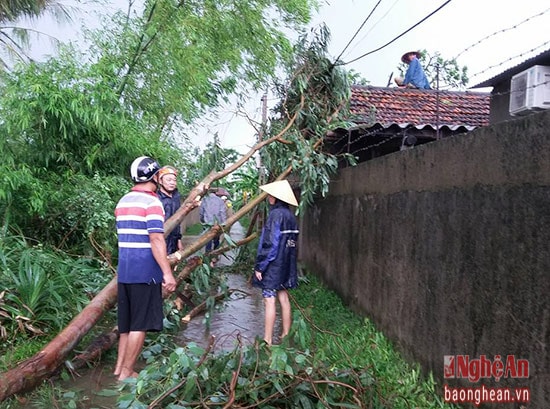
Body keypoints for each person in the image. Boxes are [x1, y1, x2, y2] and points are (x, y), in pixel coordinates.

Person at [113, 156, 177, 381]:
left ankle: (119, 369)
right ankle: (128, 373)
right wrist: (167, 273)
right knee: (140, 324)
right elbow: (156, 240)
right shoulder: (152, 203)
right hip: (145, 272)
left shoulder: (123, 201)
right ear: (155, 177)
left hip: (125, 272)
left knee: (126, 324)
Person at [252, 180, 299, 345]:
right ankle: (286, 335)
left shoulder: (275, 215)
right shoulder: (290, 215)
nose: (269, 197)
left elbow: (270, 244)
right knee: (284, 297)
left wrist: (260, 266)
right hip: (287, 264)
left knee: (269, 299)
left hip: (273, 265)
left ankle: (268, 339)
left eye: (271, 194)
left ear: (277, 197)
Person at [157, 165, 183, 255]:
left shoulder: (176, 197)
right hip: (161, 240)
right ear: (160, 181)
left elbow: (178, 221)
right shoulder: (156, 199)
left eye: (174, 180)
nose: (172, 183)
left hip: (174, 240)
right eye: (169, 180)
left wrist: (179, 239)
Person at [199, 188, 228, 254]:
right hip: (217, 224)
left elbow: (201, 212)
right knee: (216, 239)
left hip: (207, 223)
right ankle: (215, 254)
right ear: (216, 193)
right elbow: (222, 213)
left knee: (208, 240)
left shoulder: (205, 200)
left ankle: (208, 254)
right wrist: (224, 223)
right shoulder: (220, 200)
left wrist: (202, 221)